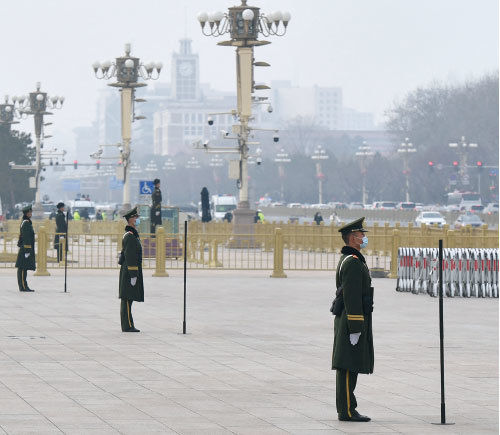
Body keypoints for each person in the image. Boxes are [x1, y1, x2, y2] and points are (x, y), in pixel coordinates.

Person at [332, 217, 374, 422]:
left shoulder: (351, 260)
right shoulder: (353, 264)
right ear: (352, 238)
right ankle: (347, 410)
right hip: (351, 321)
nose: (364, 237)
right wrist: (356, 326)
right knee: (348, 366)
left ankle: (348, 407)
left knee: (349, 365)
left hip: (347, 320)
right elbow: (352, 297)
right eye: (361, 234)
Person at [119, 207, 144, 332]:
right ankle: (127, 325)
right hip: (129, 271)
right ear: (130, 220)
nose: (137, 219)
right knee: (127, 299)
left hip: (130, 270)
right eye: (136, 217)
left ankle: (128, 324)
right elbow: (130, 256)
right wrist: (133, 274)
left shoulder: (132, 234)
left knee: (128, 299)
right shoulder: (129, 236)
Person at [15, 205, 36, 292]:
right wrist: (27, 250)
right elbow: (26, 237)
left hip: (24, 248)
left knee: (23, 268)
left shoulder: (26, 222)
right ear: (27, 213)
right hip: (25, 249)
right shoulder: (26, 223)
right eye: (30, 212)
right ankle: (23, 286)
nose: (31, 213)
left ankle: (23, 285)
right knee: (23, 268)